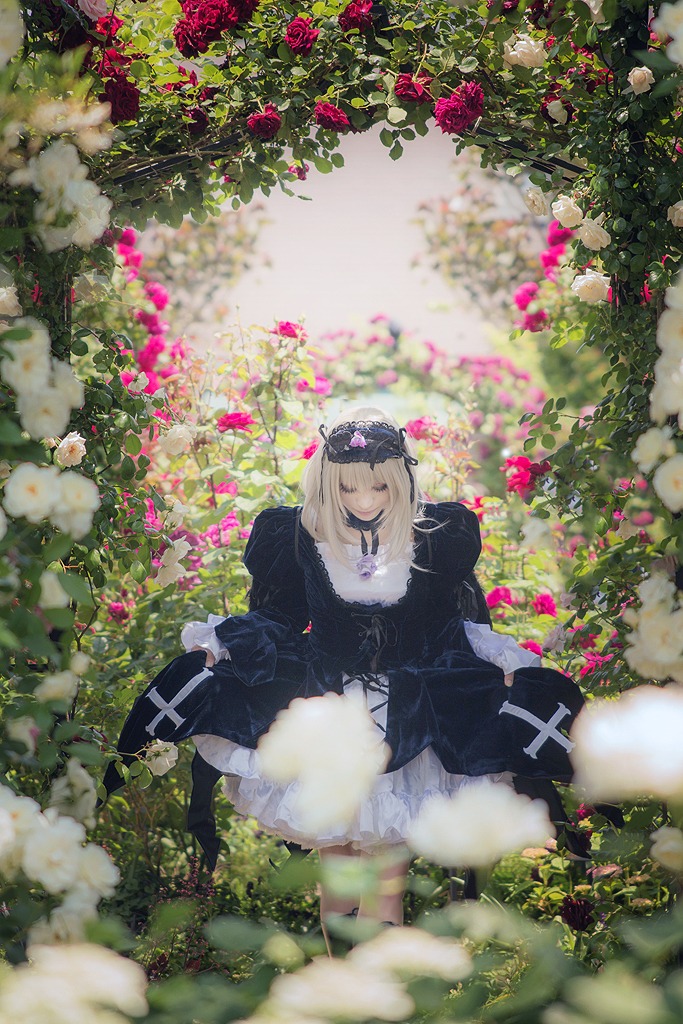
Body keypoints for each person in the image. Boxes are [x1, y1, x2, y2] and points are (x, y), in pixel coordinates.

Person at [104, 406, 583, 932]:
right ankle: (341, 997)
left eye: (378, 488)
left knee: (386, 886)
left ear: (399, 482)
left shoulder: (433, 539)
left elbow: (449, 627)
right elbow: (278, 618)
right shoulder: (300, 539)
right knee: (337, 878)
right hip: (325, 717)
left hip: (406, 721)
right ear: (328, 483)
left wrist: (502, 663)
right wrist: (219, 646)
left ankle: (382, 1001)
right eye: (349, 489)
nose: (365, 501)